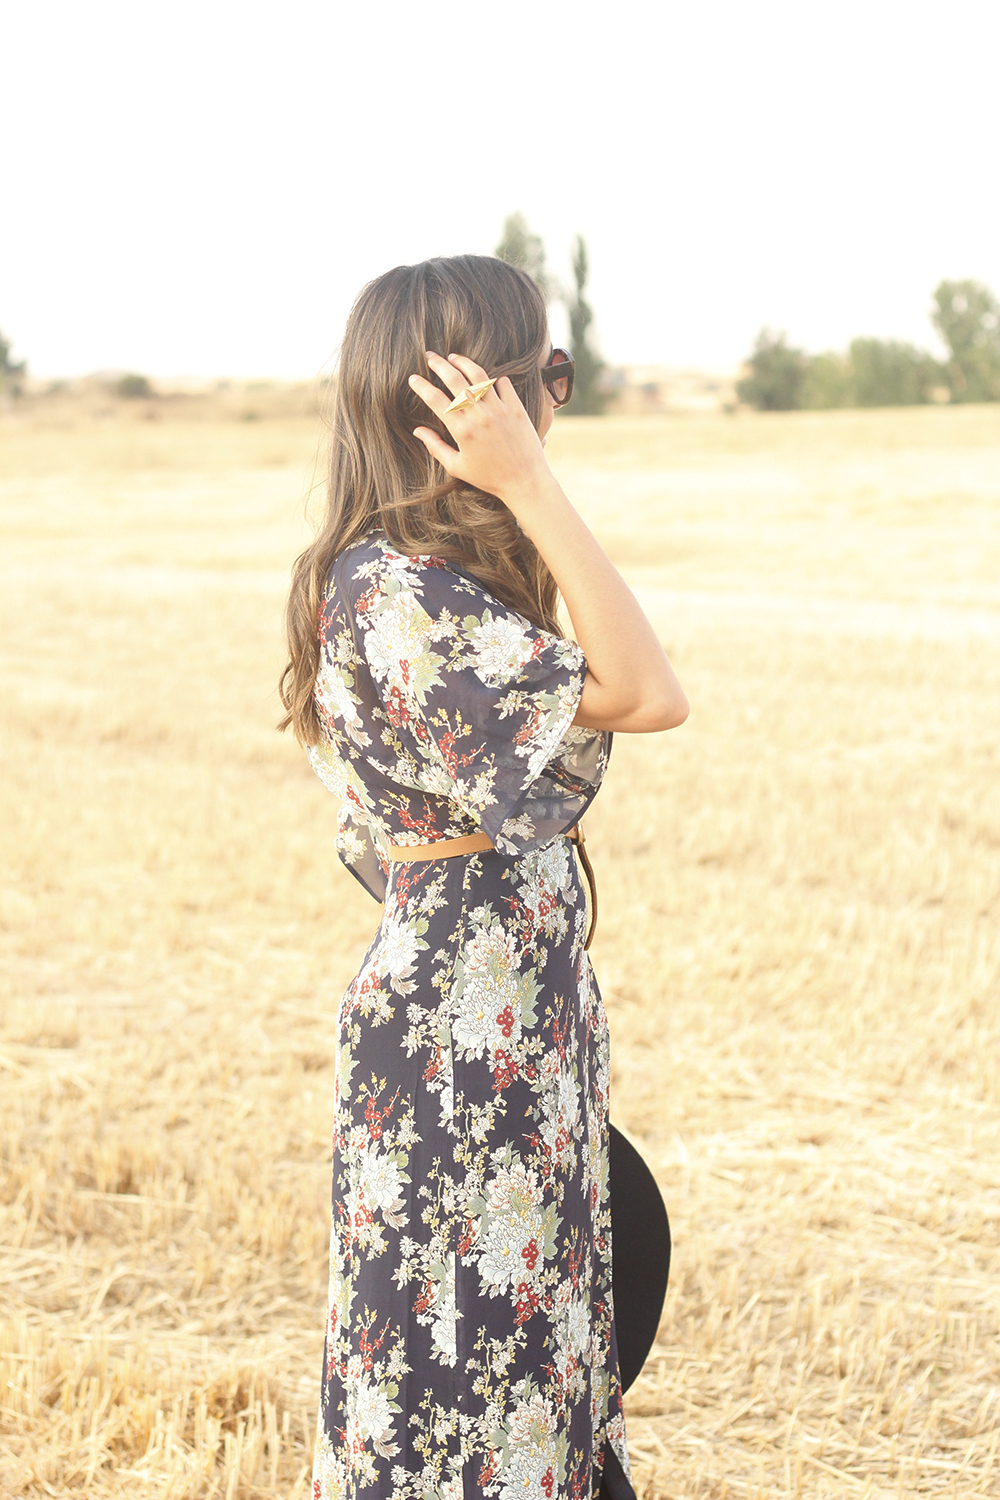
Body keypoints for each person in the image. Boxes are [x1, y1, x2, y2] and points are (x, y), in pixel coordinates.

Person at [279, 254, 688, 1500]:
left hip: (501, 1027)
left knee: (530, 1380)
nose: (552, 408)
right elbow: (648, 691)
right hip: (463, 1048)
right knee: (468, 1398)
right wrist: (532, 482)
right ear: (459, 406)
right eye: (539, 383)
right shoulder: (395, 597)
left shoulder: (430, 588)